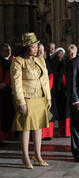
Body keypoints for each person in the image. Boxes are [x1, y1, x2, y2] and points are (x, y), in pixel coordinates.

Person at [10, 33, 52, 169]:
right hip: (27, 98)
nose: (36, 49)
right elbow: (16, 84)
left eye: (36, 46)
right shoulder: (18, 61)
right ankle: (25, 157)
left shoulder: (40, 60)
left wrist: (48, 97)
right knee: (26, 128)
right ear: (26, 48)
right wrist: (20, 102)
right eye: (33, 47)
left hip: (39, 97)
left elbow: (45, 79)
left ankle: (37, 155)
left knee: (38, 127)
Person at [37, 43, 59, 140]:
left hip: (47, 92)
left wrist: (47, 89)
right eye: (39, 50)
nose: (41, 52)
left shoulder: (46, 62)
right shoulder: (32, 62)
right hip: (36, 92)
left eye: (42, 50)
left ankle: (47, 134)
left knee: (48, 113)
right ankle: (38, 135)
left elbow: (51, 76)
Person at [0, 43, 15, 143]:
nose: (8, 52)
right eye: (5, 50)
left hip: (10, 90)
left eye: (9, 50)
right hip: (1, 92)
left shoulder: (13, 60)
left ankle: (10, 135)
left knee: (11, 113)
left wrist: (7, 82)